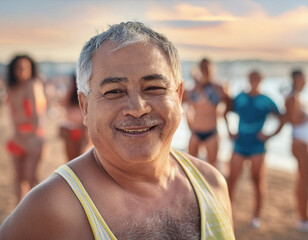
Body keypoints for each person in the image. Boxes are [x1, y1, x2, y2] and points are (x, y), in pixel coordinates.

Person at [0, 22, 235, 239]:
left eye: (154, 87)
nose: (137, 108)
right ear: (85, 106)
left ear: (179, 95)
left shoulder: (211, 185)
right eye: (114, 91)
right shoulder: (53, 208)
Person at [225, 70, 285, 228]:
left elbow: (282, 118)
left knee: (257, 180)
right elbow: (225, 110)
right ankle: (227, 212)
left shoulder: (266, 100)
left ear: (262, 80)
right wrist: (230, 131)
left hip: (258, 147)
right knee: (231, 180)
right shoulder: (240, 97)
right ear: (248, 79)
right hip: (239, 144)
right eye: (252, 78)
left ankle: (256, 217)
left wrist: (269, 135)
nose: (254, 81)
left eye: (257, 78)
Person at [4, 54, 46, 203]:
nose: (22, 71)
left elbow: (37, 115)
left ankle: (38, 208)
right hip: (18, 137)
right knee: (18, 176)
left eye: (25, 67)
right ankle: (19, 209)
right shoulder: (12, 86)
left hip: (34, 137)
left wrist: (35, 139)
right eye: (18, 68)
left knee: (30, 175)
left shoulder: (33, 85)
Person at [183, 58, 229, 168]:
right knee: (191, 164)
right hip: (196, 131)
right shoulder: (193, 89)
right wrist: (189, 123)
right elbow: (181, 105)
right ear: (199, 69)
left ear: (212, 69)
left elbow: (229, 105)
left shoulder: (218, 87)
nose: (205, 70)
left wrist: (221, 116)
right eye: (202, 67)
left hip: (211, 131)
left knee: (212, 165)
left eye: (207, 68)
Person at [285, 69, 308, 232]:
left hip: (302, 141)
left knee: (304, 179)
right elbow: (292, 119)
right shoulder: (293, 97)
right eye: (301, 79)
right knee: (303, 180)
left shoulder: (297, 96)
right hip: (299, 142)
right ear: (295, 80)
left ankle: (303, 216)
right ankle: (302, 218)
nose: (304, 81)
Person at [59, 73, 91, 161]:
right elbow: (64, 106)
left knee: (81, 158)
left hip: (84, 131)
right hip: (73, 130)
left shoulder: (89, 95)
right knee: (72, 160)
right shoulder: (71, 95)